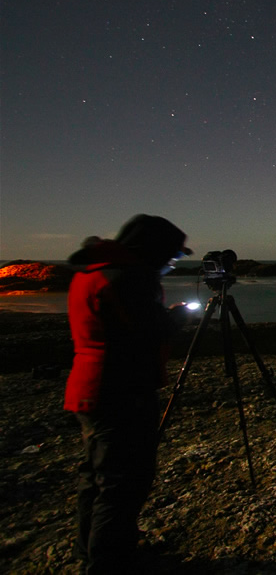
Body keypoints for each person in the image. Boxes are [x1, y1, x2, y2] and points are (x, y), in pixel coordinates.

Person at [64, 214, 193, 574]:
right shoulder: (128, 279)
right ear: (152, 250)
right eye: (171, 256)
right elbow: (151, 329)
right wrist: (180, 317)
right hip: (121, 389)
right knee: (124, 483)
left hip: (90, 386)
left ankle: (88, 552)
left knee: (97, 477)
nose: (171, 264)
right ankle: (109, 564)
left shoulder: (93, 271)